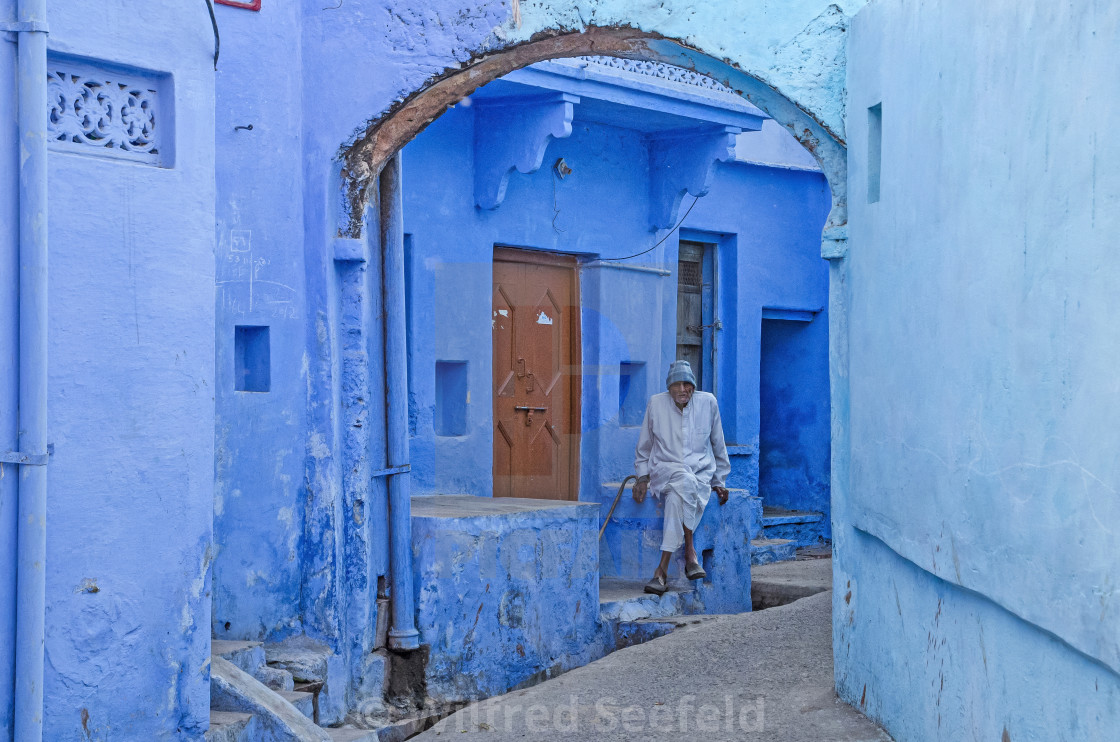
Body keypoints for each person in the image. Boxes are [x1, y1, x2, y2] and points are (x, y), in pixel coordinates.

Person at [633, 360, 731, 595]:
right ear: (669, 388)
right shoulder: (656, 404)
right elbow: (644, 447)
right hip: (665, 470)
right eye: (676, 385)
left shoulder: (708, 403)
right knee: (682, 480)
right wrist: (641, 477)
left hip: (699, 473)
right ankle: (690, 552)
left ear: (694, 386)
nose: (682, 390)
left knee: (679, 494)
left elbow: (719, 444)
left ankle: (661, 572)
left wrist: (720, 481)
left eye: (687, 384)